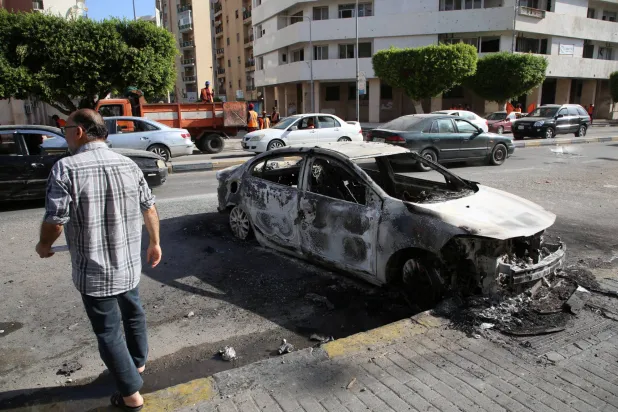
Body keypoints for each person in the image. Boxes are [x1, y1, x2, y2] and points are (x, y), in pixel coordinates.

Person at [36, 109, 161, 411]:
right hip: (128, 265)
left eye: (65, 130)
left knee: (108, 331)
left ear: (79, 131)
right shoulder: (128, 165)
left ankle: (131, 395)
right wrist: (155, 242)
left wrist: (43, 245)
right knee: (133, 314)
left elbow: (55, 220)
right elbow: (149, 207)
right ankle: (137, 365)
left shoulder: (66, 168)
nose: (65, 136)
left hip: (94, 271)